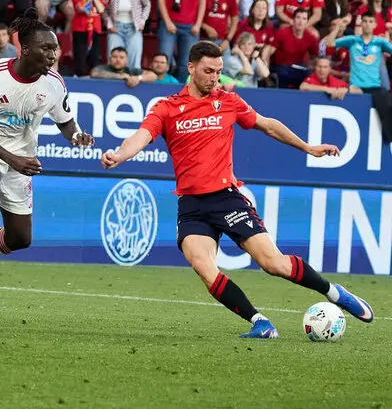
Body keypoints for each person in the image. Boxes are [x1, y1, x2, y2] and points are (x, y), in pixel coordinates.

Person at [102, 41, 374, 339]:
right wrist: (119, 154)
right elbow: (141, 136)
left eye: (218, 72)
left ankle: (335, 293)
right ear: (190, 68)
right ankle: (261, 323)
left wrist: (308, 147)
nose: (214, 78)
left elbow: (268, 125)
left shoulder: (228, 101)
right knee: (203, 266)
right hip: (191, 204)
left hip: (227, 199)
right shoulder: (167, 108)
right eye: (208, 71)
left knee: (274, 264)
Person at [0, 9, 95, 319]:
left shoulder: (54, 83)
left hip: (19, 162)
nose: (53, 55)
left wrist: (77, 135)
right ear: (25, 49)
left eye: (55, 48)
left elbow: (66, 121)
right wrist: (12, 158)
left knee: (20, 238)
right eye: (46, 48)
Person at [324, 12, 392, 141]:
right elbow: (329, 43)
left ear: (375, 25)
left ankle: (388, 139)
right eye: (365, 21)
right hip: (356, 87)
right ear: (361, 23)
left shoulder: (380, 43)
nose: (367, 24)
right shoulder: (352, 40)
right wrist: (338, 27)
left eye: (370, 22)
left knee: (387, 102)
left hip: (375, 87)